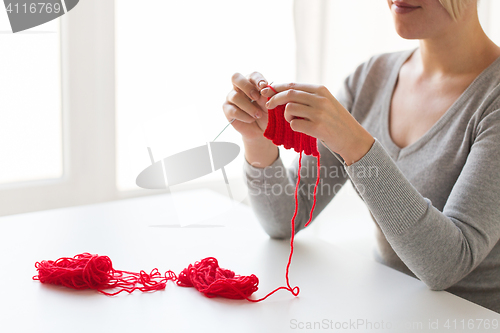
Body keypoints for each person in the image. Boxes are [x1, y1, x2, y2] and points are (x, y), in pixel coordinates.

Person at [222, 0, 500, 313]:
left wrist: (354, 144)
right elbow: (285, 219)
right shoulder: (371, 79)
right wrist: (257, 139)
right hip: (388, 310)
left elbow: (446, 265)